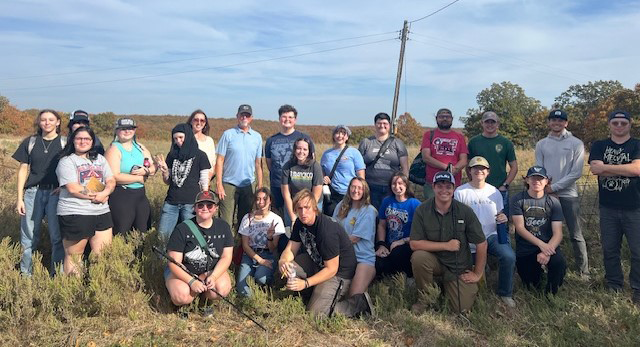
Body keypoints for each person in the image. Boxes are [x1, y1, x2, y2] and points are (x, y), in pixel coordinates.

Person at [278, 189, 373, 317]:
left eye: (307, 207)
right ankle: (313, 293)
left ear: (315, 208)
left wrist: (305, 283)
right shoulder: (300, 223)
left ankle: (358, 304)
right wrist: (283, 261)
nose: (303, 212)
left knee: (316, 313)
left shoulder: (326, 230)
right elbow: (290, 249)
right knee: (285, 270)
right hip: (317, 261)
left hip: (339, 273)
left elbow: (332, 269)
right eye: (299, 208)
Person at [410, 171, 486, 313]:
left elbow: (481, 243)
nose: (444, 190)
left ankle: (447, 285)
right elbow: (414, 244)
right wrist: (446, 246)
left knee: (460, 309)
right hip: (435, 261)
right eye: (439, 186)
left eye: (448, 187)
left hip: (458, 267)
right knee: (419, 257)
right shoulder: (422, 210)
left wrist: (478, 273)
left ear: (454, 188)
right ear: (433, 187)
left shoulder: (465, 211)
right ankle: (425, 299)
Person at [589, 110, 640, 305]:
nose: (619, 126)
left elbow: (637, 170)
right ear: (609, 124)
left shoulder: (637, 144)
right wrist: (628, 168)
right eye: (615, 123)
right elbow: (595, 168)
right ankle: (614, 285)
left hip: (635, 207)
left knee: (638, 251)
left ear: (630, 124)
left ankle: (638, 288)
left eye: (623, 123)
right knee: (610, 249)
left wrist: (606, 168)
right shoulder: (600, 145)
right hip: (608, 207)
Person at [454, 156, 516, 307]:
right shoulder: (461, 192)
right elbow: (457, 218)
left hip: (491, 235)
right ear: (469, 171)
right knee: (471, 272)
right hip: (469, 239)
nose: (479, 171)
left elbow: (500, 213)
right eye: (475, 168)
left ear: (488, 172)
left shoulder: (494, 192)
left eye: (482, 169)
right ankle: (482, 269)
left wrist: (503, 218)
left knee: (509, 256)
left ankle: (505, 293)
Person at [535, 109, 589, 278]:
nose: (556, 123)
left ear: (566, 123)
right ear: (549, 123)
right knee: (545, 233)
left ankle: (583, 270)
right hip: (547, 195)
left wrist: (555, 187)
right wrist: (547, 188)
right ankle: (545, 265)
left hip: (568, 195)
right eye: (553, 120)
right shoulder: (541, 144)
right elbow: (539, 170)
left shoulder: (576, 143)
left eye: (560, 120)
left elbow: (576, 172)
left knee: (576, 233)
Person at [56, 127, 116, 275]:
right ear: (72, 140)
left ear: (92, 142)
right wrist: (98, 196)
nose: (83, 142)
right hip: (75, 213)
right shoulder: (66, 161)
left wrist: (106, 192)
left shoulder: (100, 159)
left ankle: (96, 288)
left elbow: (111, 180)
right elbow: (73, 188)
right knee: (74, 256)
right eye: (79, 138)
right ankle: (73, 292)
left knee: (102, 254)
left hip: (101, 212)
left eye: (87, 139)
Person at [12, 109, 65, 275]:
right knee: (28, 237)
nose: (47, 122)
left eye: (51, 119)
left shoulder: (65, 143)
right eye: (43, 120)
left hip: (55, 194)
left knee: (57, 238)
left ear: (58, 122)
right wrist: (19, 198)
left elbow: (73, 167)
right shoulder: (31, 142)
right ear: (39, 122)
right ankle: (25, 275)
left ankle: (56, 276)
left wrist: (63, 187)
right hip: (32, 193)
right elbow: (23, 170)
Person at [165, 190, 233, 307]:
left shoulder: (224, 227)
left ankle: (204, 300)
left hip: (210, 271)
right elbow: (173, 263)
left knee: (221, 290)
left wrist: (214, 276)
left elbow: (226, 257)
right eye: (200, 205)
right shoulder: (182, 229)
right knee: (181, 295)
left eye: (209, 205)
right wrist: (192, 281)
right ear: (194, 208)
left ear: (215, 208)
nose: (205, 208)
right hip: (184, 273)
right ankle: (183, 304)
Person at [511, 166, 566, 294]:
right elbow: (519, 228)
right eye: (533, 178)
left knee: (559, 263)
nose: (537, 181)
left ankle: (551, 293)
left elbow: (558, 233)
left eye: (540, 178)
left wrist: (546, 251)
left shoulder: (553, 202)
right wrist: (541, 245)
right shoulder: (518, 200)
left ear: (546, 181)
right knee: (530, 285)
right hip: (526, 247)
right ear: (527, 180)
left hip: (549, 245)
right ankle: (538, 276)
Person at [156, 123, 211, 242]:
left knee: (192, 236)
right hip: (171, 202)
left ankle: (189, 260)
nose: (178, 141)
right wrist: (165, 172)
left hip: (190, 203)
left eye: (181, 137)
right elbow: (167, 181)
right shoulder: (172, 155)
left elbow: (204, 180)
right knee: (163, 236)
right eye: (175, 139)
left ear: (188, 136)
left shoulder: (200, 155)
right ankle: (161, 260)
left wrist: (204, 199)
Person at [104, 118, 155, 235]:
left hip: (140, 196)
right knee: (122, 232)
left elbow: (153, 166)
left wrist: (146, 170)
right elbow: (114, 176)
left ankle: (140, 253)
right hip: (122, 196)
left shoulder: (140, 147)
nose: (127, 131)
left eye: (130, 128)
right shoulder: (114, 149)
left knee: (142, 231)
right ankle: (121, 253)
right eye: (123, 129)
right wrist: (139, 178)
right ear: (116, 131)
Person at [215, 104, 263, 229]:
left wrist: (260, 184)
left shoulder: (257, 137)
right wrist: (219, 184)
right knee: (225, 221)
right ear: (237, 116)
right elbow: (219, 160)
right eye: (242, 115)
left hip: (248, 184)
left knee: (245, 221)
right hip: (228, 184)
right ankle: (227, 247)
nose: (244, 117)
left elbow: (258, 164)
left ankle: (242, 247)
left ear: (251, 117)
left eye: (247, 115)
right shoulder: (228, 135)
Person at [265, 104, 315, 217]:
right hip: (277, 185)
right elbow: (269, 164)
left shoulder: (304, 137)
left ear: (295, 120)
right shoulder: (271, 140)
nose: (287, 120)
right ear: (279, 119)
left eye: (290, 117)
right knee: (279, 217)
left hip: (299, 187)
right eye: (284, 117)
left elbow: (312, 160)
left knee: (299, 216)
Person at [236, 188, 286, 297]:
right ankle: (252, 300)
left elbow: (273, 248)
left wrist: (269, 237)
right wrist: (260, 260)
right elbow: (245, 245)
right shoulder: (248, 218)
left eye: (264, 199)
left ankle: (266, 282)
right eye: (258, 199)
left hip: (267, 253)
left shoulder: (276, 219)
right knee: (241, 287)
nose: (261, 202)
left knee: (261, 278)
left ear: (270, 201)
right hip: (250, 254)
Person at [333, 177, 377, 297]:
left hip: (362, 258)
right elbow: (333, 228)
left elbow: (354, 239)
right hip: (343, 256)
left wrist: (334, 242)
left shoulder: (369, 211)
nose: (355, 190)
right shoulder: (341, 206)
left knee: (353, 296)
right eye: (353, 187)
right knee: (336, 294)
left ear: (364, 191)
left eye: (359, 188)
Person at [467, 111, 517, 215]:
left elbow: (514, 167)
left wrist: (505, 185)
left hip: (499, 189)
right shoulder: (474, 142)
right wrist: (473, 182)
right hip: (478, 189)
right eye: (487, 122)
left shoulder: (506, 143)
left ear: (498, 124)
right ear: (482, 123)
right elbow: (468, 165)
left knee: (501, 220)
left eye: (493, 122)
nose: (490, 125)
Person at [359, 112, 409, 209]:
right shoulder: (366, 142)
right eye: (379, 123)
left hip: (391, 187)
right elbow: (359, 166)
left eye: (385, 123)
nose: (382, 126)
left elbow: (405, 168)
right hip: (371, 186)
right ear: (375, 125)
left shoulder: (397, 143)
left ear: (389, 125)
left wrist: (402, 185)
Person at [375, 172, 421, 279]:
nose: (397, 187)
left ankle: (408, 277)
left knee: (397, 254)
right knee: (378, 262)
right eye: (394, 184)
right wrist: (381, 244)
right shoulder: (387, 201)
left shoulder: (415, 204)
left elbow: (421, 231)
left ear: (406, 185)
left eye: (400, 183)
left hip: (407, 243)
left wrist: (402, 241)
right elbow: (382, 225)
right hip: (389, 244)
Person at [421, 108, 468, 199]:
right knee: (433, 210)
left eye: (447, 117)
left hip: (454, 182)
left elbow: (464, 159)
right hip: (433, 182)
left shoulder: (459, 137)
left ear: (452, 119)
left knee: (454, 211)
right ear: (436, 118)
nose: (445, 119)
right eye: (441, 117)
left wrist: (455, 169)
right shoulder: (429, 134)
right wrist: (446, 167)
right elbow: (426, 157)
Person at [321, 125, 365, 216]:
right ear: (333, 135)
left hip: (350, 193)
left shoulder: (354, 153)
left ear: (347, 137)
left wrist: (361, 193)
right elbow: (322, 171)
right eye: (337, 133)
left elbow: (361, 176)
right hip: (332, 194)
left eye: (343, 133)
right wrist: (324, 178)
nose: (340, 136)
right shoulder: (326, 154)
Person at [281, 137, 323, 227]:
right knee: (292, 230)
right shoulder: (287, 166)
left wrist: (307, 212)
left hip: (312, 203)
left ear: (309, 151)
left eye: (305, 149)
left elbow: (317, 194)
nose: (301, 152)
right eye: (299, 148)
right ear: (294, 150)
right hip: (293, 203)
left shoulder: (315, 166)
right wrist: (293, 218)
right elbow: (286, 194)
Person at [187, 109, 216, 180]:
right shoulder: (185, 139)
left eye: (202, 120)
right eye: (196, 120)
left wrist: (209, 177)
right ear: (191, 121)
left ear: (205, 123)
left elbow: (213, 162)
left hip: (206, 179)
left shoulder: (209, 141)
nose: (199, 123)